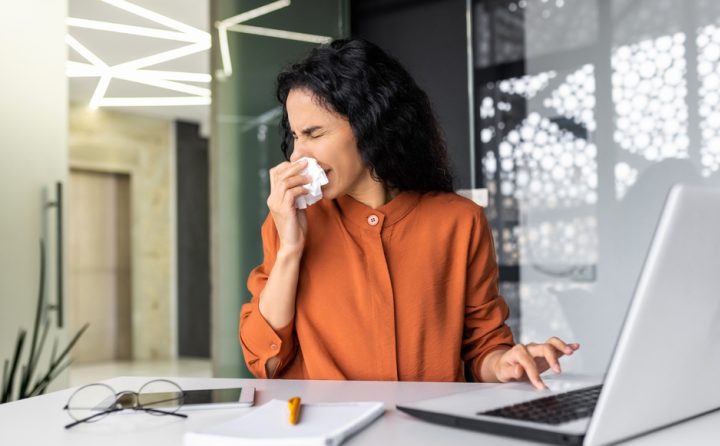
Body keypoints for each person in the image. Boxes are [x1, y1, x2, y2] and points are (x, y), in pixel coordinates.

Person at [239, 38, 579, 388]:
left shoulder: (460, 222)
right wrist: (290, 250)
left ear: (370, 124)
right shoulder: (290, 221)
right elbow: (264, 359)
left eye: (313, 133)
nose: (297, 156)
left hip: (427, 436)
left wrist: (506, 363)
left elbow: (483, 348)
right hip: (326, 433)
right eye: (295, 137)